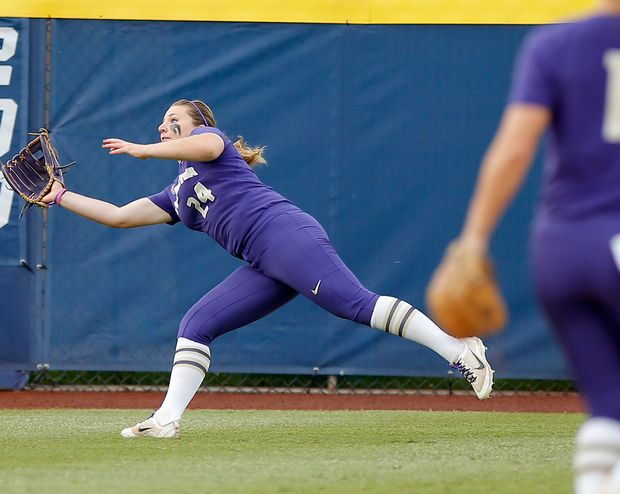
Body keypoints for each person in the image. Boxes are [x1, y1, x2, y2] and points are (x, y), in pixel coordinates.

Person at [41, 98, 494, 439]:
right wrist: (60, 196)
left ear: (199, 126)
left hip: (284, 234)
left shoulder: (214, 145)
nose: (164, 127)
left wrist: (142, 149)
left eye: (173, 121)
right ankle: (166, 420)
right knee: (197, 324)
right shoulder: (176, 192)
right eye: (161, 124)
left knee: (355, 305)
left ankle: (460, 350)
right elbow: (119, 216)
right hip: (264, 260)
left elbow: (206, 142)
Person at [442, 2, 620, 493]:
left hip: (561, 250)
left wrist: (473, 240)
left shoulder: (553, 44)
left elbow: (514, 149)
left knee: (608, 405)